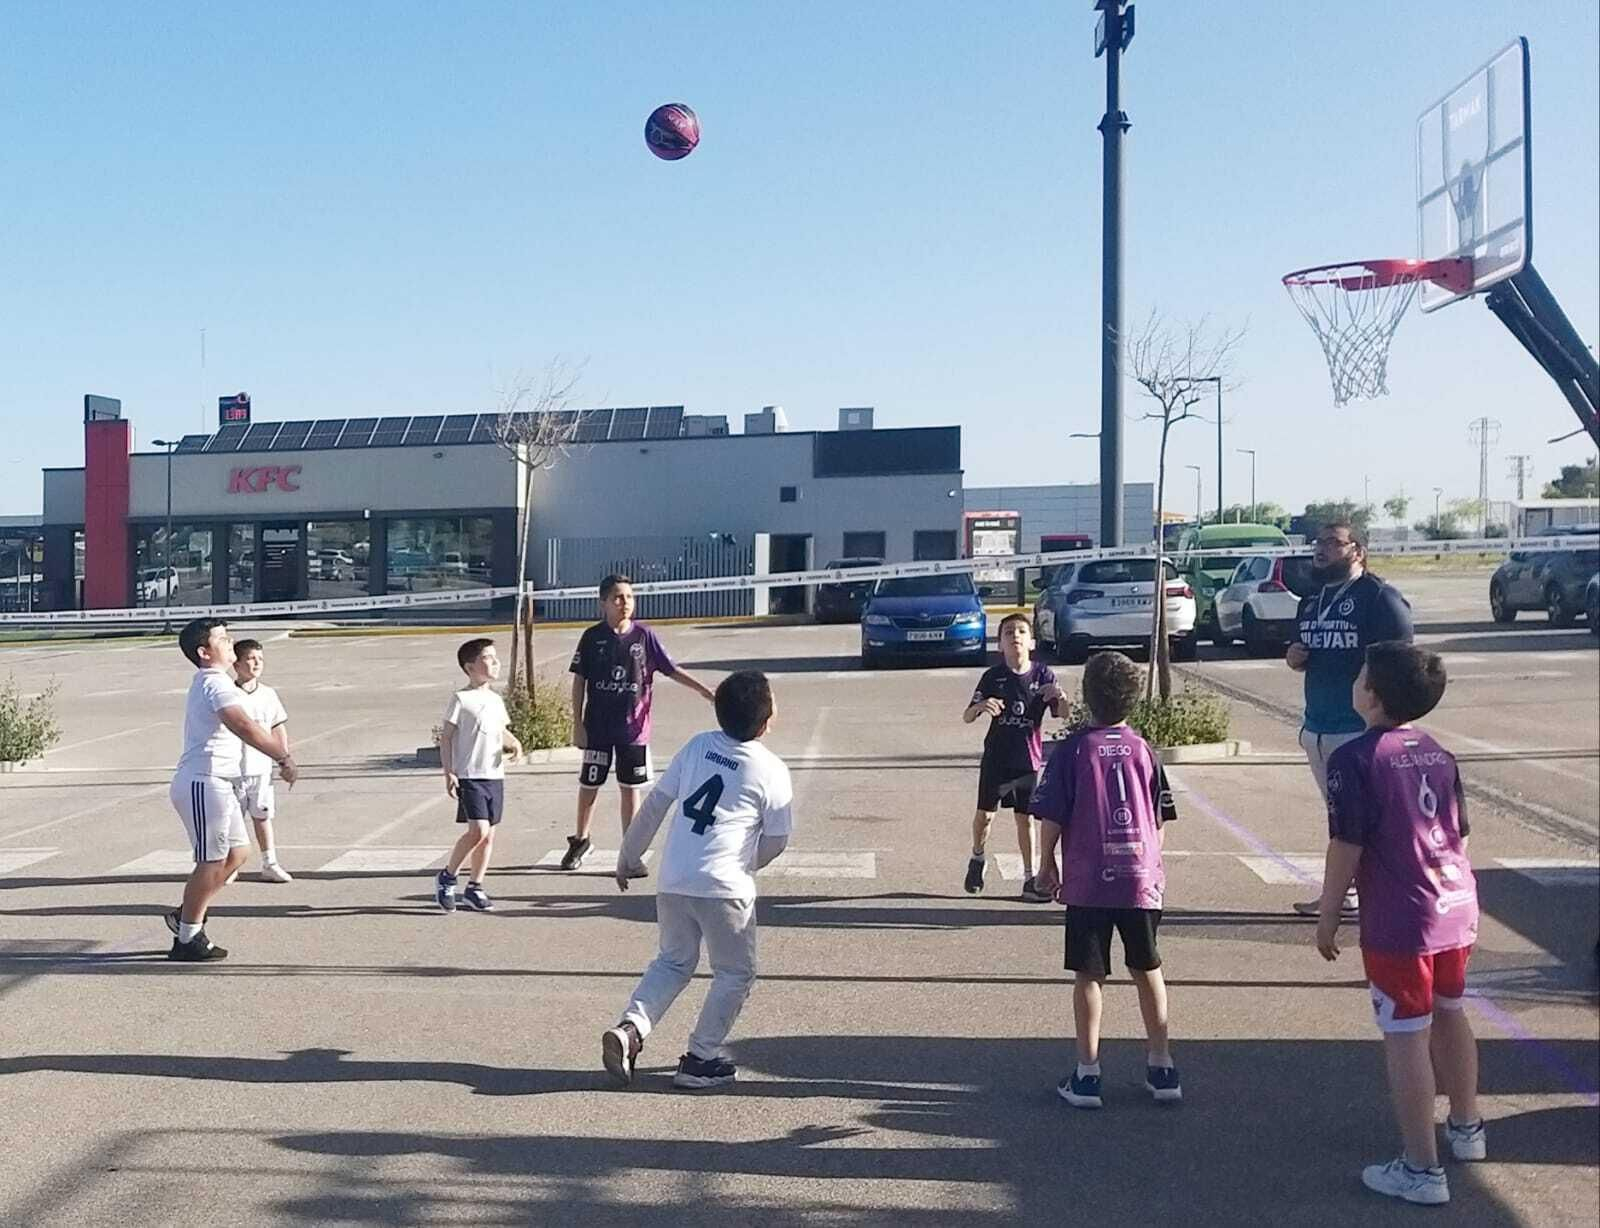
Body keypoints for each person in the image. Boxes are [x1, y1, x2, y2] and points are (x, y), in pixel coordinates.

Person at [1316, 642, 1482, 1207]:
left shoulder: (1357, 759)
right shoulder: (1437, 750)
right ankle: (1466, 1127)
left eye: (1362, 673)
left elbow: (1347, 843)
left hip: (1403, 919)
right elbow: (1460, 829)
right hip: (1455, 903)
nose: (1355, 679)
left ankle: (1420, 1167)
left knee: (1406, 1034)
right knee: (1453, 1014)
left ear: (1373, 694)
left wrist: (1329, 912)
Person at [601, 671, 793, 1090]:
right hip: (725, 886)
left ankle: (631, 1028)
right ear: (765, 722)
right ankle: (700, 1057)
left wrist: (628, 856)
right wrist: (746, 864)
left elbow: (655, 804)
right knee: (734, 972)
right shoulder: (771, 768)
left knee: (672, 962)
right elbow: (777, 840)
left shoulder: (697, 746)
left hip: (673, 880)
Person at [1033, 651, 1180, 1109]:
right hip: (1139, 878)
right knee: (1147, 969)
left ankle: (1088, 1072)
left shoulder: (1073, 750)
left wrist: (1046, 864)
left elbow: (1052, 816)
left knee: (1089, 975)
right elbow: (1159, 816)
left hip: (1090, 879)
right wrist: (1152, 865)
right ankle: (1162, 1065)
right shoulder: (1143, 749)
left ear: (1087, 699)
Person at [1287, 519, 1413, 919]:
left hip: (1358, 731)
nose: (1321, 549)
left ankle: (1386, 891)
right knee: (1340, 817)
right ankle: (1348, 892)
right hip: (1318, 727)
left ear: (1357, 550)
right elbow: (1305, 648)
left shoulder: (1378, 598)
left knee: (1368, 818)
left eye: (1333, 543)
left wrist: (1385, 720)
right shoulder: (1311, 599)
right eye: (1318, 542)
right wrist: (1294, 658)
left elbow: (1401, 659)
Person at [561, 574, 716, 871]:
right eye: (618, 597)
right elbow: (580, 681)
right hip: (597, 728)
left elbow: (671, 669)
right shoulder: (592, 637)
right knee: (590, 783)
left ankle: (629, 850)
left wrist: (703, 690)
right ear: (603, 603)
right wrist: (577, 723)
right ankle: (580, 839)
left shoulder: (644, 636)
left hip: (634, 729)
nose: (625, 603)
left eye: (629, 597)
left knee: (630, 788)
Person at [164, 618, 297, 961]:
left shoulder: (218, 682)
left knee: (238, 855)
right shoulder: (214, 683)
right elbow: (243, 725)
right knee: (211, 862)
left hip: (221, 784)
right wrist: (282, 757)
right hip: (204, 781)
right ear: (204, 652)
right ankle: (187, 939)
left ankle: (185, 915)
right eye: (222, 638)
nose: (230, 642)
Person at [961, 613, 1064, 901]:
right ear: (1000, 645)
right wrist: (981, 706)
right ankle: (977, 858)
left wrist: (1061, 697)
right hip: (996, 759)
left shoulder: (1044, 675)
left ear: (1031, 641)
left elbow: (1063, 713)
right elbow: (967, 716)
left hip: (1028, 760)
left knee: (1026, 819)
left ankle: (1030, 878)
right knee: (985, 817)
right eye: (1008, 632)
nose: (1015, 636)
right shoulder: (993, 677)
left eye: (1020, 631)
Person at [433, 638, 523, 913]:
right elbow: (446, 738)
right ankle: (448, 876)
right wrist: (449, 773)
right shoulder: (461, 699)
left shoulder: (495, 700)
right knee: (478, 830)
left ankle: (475, 886)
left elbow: (498, 729)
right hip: (470, 775)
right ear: (470, 667)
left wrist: (514, 741)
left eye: (495, 657)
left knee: (489, 835)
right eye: (488, 657)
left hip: (494, 775)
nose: (495, 662)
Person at [229, 638, 293, 883]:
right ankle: (230, 864)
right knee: (232, 821)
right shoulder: (227, 693)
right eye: (251, 659)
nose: (256, 664)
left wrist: (284, 759)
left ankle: (270, 862)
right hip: (233, 770)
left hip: (260, 768)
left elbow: (278, 727)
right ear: (236, 663)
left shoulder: (268, 694)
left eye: (260, 659)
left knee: (263, 816)